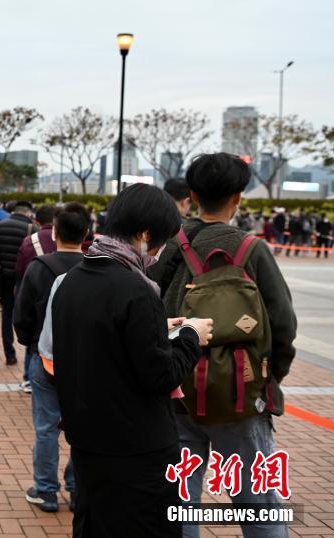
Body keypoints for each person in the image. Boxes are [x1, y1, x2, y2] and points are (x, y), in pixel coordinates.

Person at [52, 184, 213, 536]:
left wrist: (159, 328)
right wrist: (190, 337)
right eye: (161, 241)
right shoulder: (135, 289)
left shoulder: (73, 280)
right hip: (137, 450)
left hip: (89, 443)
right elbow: (160, 375)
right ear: (143, 234)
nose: (160, 250)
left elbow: (101, 345)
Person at [150, 154, 296, 538]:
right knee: (258, 503)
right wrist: (267, 376)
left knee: (180, 500)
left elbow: (148, 312)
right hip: (240, 393)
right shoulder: (251, 249)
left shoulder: (169, 248)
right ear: (238, 196)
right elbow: (282, 323)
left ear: (193, 195)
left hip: (178, 389)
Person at [13, 203, 90, 513]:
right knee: (83, 427)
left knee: (46, 428)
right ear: (87, 233)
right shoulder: (96, 266)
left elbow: (22, 315)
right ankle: (75, 487)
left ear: (54, 232)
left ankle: (45, 491)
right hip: (86, 360)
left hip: (43, 358)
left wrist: (30, 342)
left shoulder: (40, 267)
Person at [0, 200, 35, 366]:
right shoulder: (32, 229)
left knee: (7, 315)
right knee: (29, 314)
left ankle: (10, 353)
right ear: (28, 213)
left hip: (5, 279)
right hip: (25, 280)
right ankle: (29, 353)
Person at [15, 204, 56, 279]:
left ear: (36, 222)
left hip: (34, 285)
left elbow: (19, 270)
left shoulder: (28, 240)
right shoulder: (65, 239)